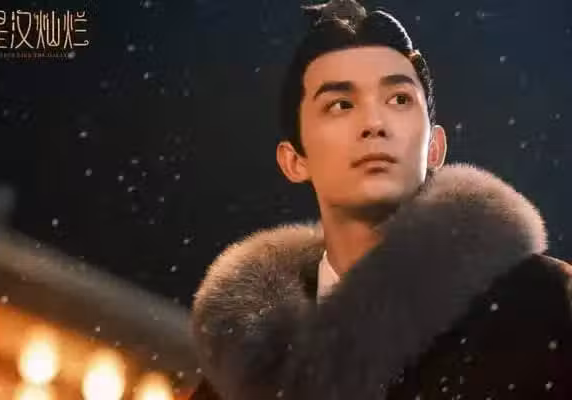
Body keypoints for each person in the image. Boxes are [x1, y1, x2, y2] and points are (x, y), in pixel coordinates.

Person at [189, 1, 572, 399]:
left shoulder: (543, 308)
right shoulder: (246, 374)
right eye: (340, 105)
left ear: (435, 147)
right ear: (294, 160)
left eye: (399, 99)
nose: (374, 124)